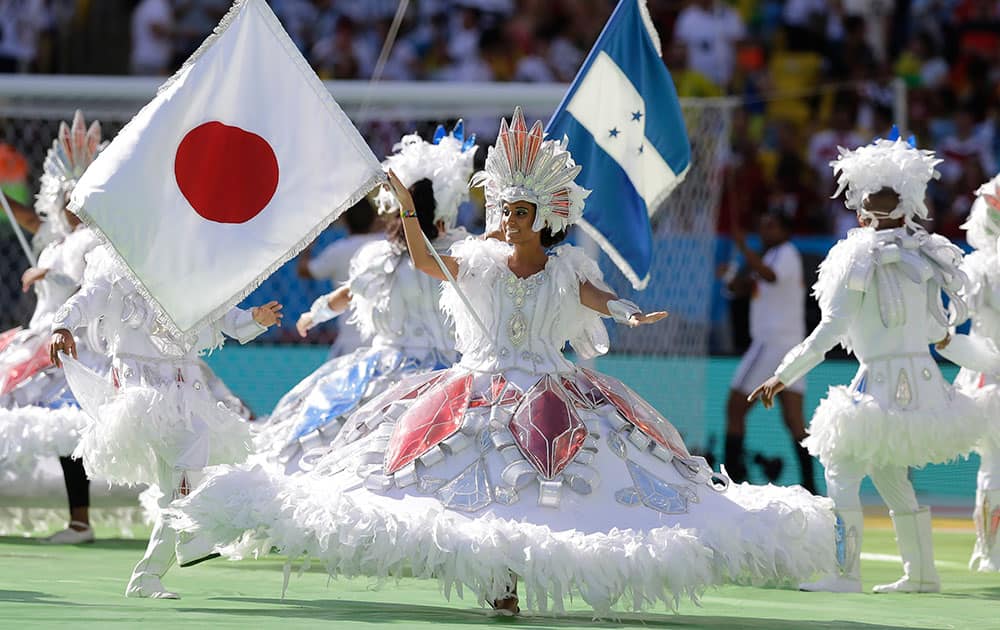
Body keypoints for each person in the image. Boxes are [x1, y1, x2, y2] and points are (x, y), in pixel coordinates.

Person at [167, 108, 835, 616]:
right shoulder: (477, 262)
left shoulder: (566, 264)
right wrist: (404, 204)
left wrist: (629, 312)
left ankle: (532, 579)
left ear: (540, 215)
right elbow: (431, 262)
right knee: (467, 481)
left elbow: (593, 296)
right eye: (504, 208)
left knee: (562, 485)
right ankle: (498, 585)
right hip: (479, 387)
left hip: (551, 386)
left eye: (520, 211)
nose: (510, 220)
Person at [750, 132, 998, 593]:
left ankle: (846, 574)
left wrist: (783, 375)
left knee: (841, 470)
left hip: (879, 386)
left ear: (861, 213)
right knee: (889, 473)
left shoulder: (856, 255)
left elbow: (829, 332)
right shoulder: (927, 254)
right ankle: (922, 574)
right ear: (908, 207)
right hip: (923, 387)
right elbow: (940, 334)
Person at [48, 245, 283, 599]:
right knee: (191, 450)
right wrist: (63, 324)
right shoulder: (116, 261)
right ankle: (189, 535)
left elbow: (223, 315)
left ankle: (148, 576)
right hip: (141, 386)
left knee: (173, 489)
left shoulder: (187, 263)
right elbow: (88, 299)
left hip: (185, 387)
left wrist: (255, 319)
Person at [255, 124, 474, 472]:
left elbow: (346, 294)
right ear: (444, 212)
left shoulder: (381, 257)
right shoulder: (461, 256)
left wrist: (314, 314)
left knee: (346, 445)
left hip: (384, 370)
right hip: (449, 372)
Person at [0, 112, 107, 543]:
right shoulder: (56, 239)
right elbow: (25, 216)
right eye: (65, 197)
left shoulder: (98, 242)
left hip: (74, 344)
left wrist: (53, 278)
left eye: (79, 198)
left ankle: (80, 522)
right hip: (37, 341)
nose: (70, 206)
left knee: (69, 428)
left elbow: (96, 287)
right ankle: (79, 521)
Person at [724, 211, 813, 492]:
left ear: (785, 231)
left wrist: (742, 246)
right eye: (762, 226)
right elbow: (743, 286)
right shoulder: (771, 256)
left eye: (771, 225)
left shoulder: (785, 253)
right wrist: (730, 276)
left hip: (772, 343)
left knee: (735, 407)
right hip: (791, 345)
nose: (765, 231)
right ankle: (811, 486)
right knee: (794, 420)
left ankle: (732, 480)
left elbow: (769, 276)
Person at [953, 173, 1000, 572]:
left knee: (994, 465)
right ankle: (990, 551)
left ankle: (990, 551)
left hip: (990, 375)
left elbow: (952, 324)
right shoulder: (980, 266)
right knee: (994, 464)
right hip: (992, 376)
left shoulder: (979, 266)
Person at [295, 198, 380, 358]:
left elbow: (305, 270)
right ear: (374, 217)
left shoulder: (337, 251)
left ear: (345, 221)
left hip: (350, 341)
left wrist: (308, 243)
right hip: (386, 339)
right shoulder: (387, 245)